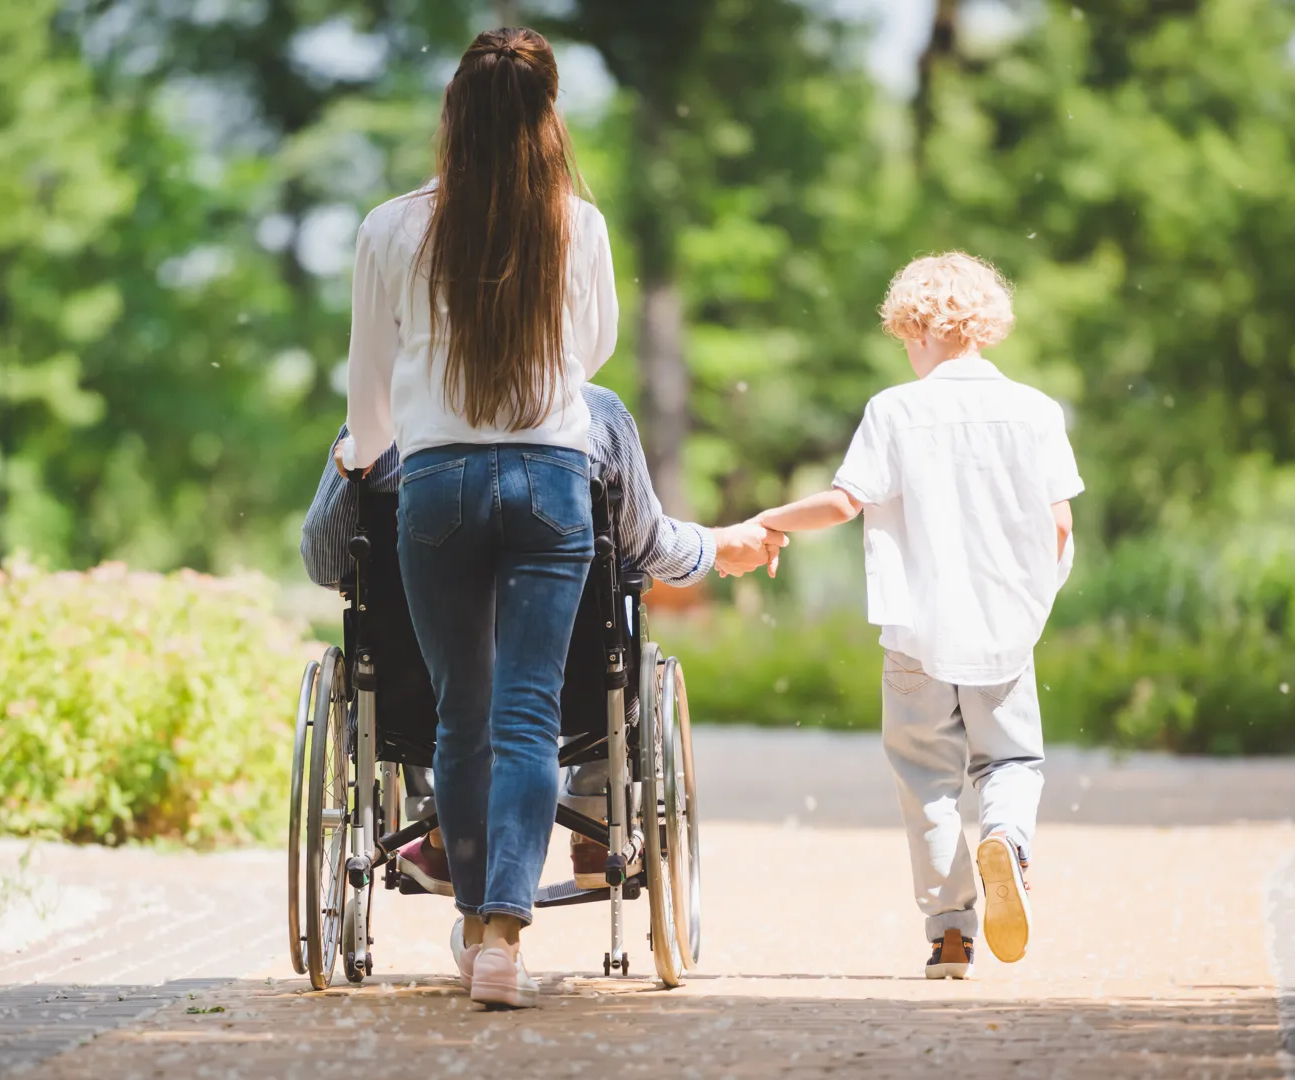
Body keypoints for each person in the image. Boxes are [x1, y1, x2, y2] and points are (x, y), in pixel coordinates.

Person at [332, 27, 766, 1009]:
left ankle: (473, 909)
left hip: (437, 486)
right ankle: (501, 942)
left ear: (452, 115)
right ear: (547, 119)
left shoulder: (390, 229)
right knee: (528, 714)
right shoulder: (578, 224)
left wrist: (364, 455)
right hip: (550, 482)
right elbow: (595, 353)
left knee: (462, 716)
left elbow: (370, 393)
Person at [302, 384, 781, 900]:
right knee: (612, 594)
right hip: (571, 689)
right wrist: (716, 545)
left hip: (416, 696)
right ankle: (597, 816)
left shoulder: (385, 416)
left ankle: (437, 825)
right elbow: (649, 547)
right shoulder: (592, 412)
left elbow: (327, 561)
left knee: (407, 633)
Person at [752, 252, 1080, 980]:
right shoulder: (1034, 411)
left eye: (905, 334)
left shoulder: (895, 410)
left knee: (927, 781)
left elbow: (844, 502)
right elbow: (1058, 524)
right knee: (1013, 760)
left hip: (916, 636)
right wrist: (1032, 600)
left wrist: (767, 519)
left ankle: (951, 934)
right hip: (1003, 631)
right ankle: (1006, 838)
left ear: (918, 327)